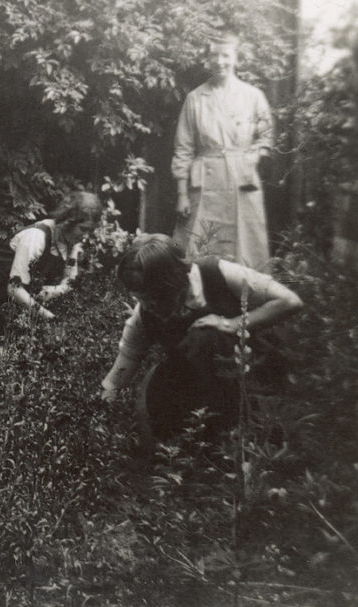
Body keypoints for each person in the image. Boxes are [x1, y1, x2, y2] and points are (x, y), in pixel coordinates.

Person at [100, 234, 302, 440]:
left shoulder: (217, 273)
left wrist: (232, 324)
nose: (149, 305)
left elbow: (289, 301)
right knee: (158, 384)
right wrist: (100, 412)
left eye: (155, 297)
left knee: (206, 337)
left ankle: (245, 434)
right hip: (199, 389)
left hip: (250, 375)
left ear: (176, 282)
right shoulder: (143, 315)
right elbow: (121, 371)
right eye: (141, 299)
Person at [0, 191, 102, 370]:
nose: (85, 236)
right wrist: (48, 316)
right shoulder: (36, 237)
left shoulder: (70, 244)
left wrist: (53, 291)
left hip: (11, 295)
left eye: (89, 231)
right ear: (68, 221)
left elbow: (69, 282)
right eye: (83, 229)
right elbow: (15, 289)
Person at [172, 32, 273, 270]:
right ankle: (195, 302)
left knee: (246, 245)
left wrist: (252, 157)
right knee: (198, 244)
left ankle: (246, 301)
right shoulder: (195, 99)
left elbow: (266, 136)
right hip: (205, 183)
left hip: (242, 181)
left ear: (236, 57)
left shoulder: (253, 96)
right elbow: (183, 148)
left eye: (225, 55)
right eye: (213, 55)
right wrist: (181, 194)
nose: (220, 61)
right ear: (207, 59)